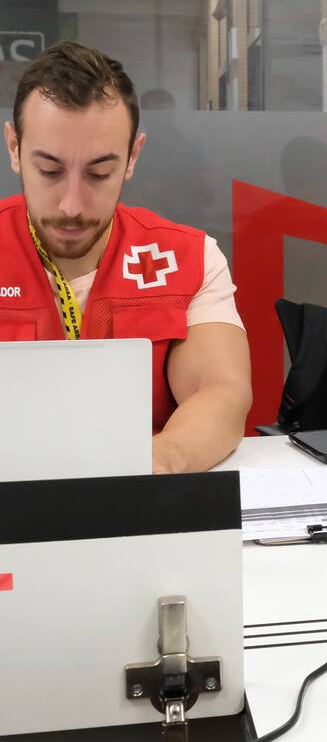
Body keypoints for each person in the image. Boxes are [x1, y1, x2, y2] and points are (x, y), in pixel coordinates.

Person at [0, 41, 251, 473]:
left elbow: (222, 392)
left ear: (133, 157)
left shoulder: (189, 258)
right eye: (50, 171)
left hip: (141, 505)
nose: (72, 206)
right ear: (14, 148)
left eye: (99, 173)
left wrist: (150, 466)